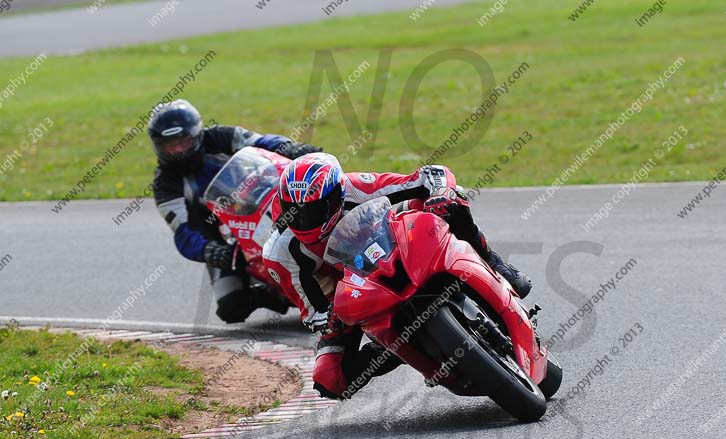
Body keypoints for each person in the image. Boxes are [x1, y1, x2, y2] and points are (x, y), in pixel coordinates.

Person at [263, 152, 532, 399]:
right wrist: (331, 318)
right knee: (329, 379)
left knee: (450, 203)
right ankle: (391, 349)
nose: (303, 221)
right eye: (295, 212)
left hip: (391, 244)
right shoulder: (280, 253)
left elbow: (430, 175)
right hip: (348, 291)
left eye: (312, 211)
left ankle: (493, 263)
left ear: (336, 195)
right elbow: (313, 311)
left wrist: (442, 192)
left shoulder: (356, 187)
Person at [148, 99, 321, 323]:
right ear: (158, 146)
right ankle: (274, 293)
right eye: (171, 145)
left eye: (184, 141)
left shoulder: (220, 136)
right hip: (225, 240)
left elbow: (262, 142)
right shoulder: (165, 184)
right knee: (231, 308)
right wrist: (210, 250)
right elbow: (183, 233)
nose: (179, 150)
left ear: (197, 134)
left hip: (263, 200)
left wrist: (290, 148)